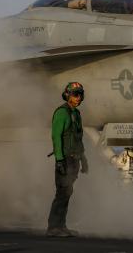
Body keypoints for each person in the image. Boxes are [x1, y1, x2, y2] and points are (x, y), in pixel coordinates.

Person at [46, 82, 88, 237]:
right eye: (75, 94)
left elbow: (78, 138)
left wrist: (83, 159)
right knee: (62, 193)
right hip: (65, 160)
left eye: (80, 95)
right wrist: (59, 160)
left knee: (67, 192)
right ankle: (53, 228)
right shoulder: (62, 113)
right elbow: (56, 137)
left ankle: (61, 226)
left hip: (74, 160)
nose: (79, 98)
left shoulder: (76, 114)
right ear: (67, 95)